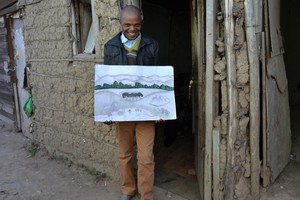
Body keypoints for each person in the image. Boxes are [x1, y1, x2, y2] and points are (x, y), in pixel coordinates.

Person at [103, 5, 159, 200]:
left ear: (141, 23)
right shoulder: (110, 46)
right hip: (122, 109)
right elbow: (107, 80)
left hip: (145, 110)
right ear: (120, 23)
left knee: (145, 158)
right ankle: (128, 190)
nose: (132, 29)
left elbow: (159, 79)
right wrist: (107, 111)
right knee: (125, 154)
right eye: (127, 25)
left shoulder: (152, 45)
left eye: (136, 24)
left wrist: (160, 110)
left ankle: (146, 196)